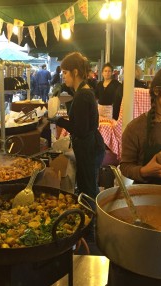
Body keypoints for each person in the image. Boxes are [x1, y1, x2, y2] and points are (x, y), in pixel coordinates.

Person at [52, 52, 105, 200]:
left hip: (89, 149)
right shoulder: (84, 91)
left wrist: (57, 120)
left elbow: (79, 130)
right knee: (89, 187)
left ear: (75, 72)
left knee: (88, 191)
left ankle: (92, 220)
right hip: (91, 146)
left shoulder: (82, 95)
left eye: (65, 72)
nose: (63, 76)